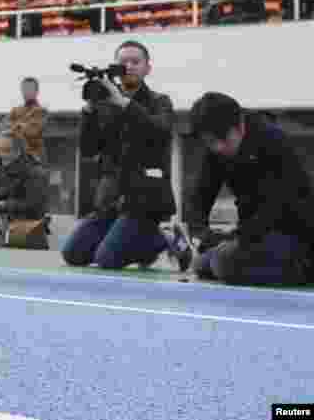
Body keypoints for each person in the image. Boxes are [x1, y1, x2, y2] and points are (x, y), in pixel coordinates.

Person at [61, 41, 193, 271]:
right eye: (123, 62)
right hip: (111, 200)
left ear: (147, 68)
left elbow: (160, 132)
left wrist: (123, 102)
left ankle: (166, 237)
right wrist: (90, 111)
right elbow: (89, 149)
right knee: (73, 253)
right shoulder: (104, 105)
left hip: (144, 200)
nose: (129, 66)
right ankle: (136, 244)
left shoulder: (159, 101)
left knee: (106, 259)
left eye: (136, 61)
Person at [184, 92, 314, 286]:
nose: (219, 148)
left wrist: (238, 237)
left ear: (240, 125)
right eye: (211, 142)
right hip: (251, 237)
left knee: (224, 261)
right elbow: (200, 196)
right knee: (200, 264)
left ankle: (304, 268)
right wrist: (200, 235)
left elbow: (280, 205)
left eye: (225, 140)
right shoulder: (216, 148)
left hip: (291, 232)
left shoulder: (272, 140)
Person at [0, 134, 48, 246]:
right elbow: (6, 191)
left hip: (28, 222)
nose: (2, 154)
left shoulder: (35, 172)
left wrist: (1, 205)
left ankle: (8, 235)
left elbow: (33, 205)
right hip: (6, 219)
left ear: (18, 150)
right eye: (0, 149)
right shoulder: (4, 169)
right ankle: (4, 234)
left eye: (6, 149)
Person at [7, 77, 47, 161]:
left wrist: (17, 126)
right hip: (16, 156)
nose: (27, 92)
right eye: (25, 89)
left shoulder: (41, 111)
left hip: (35, 158)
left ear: (36, 91)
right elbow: (4, 126)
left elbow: (33, 132)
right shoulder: (15, 110)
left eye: (30, 89)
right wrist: (19, 126)